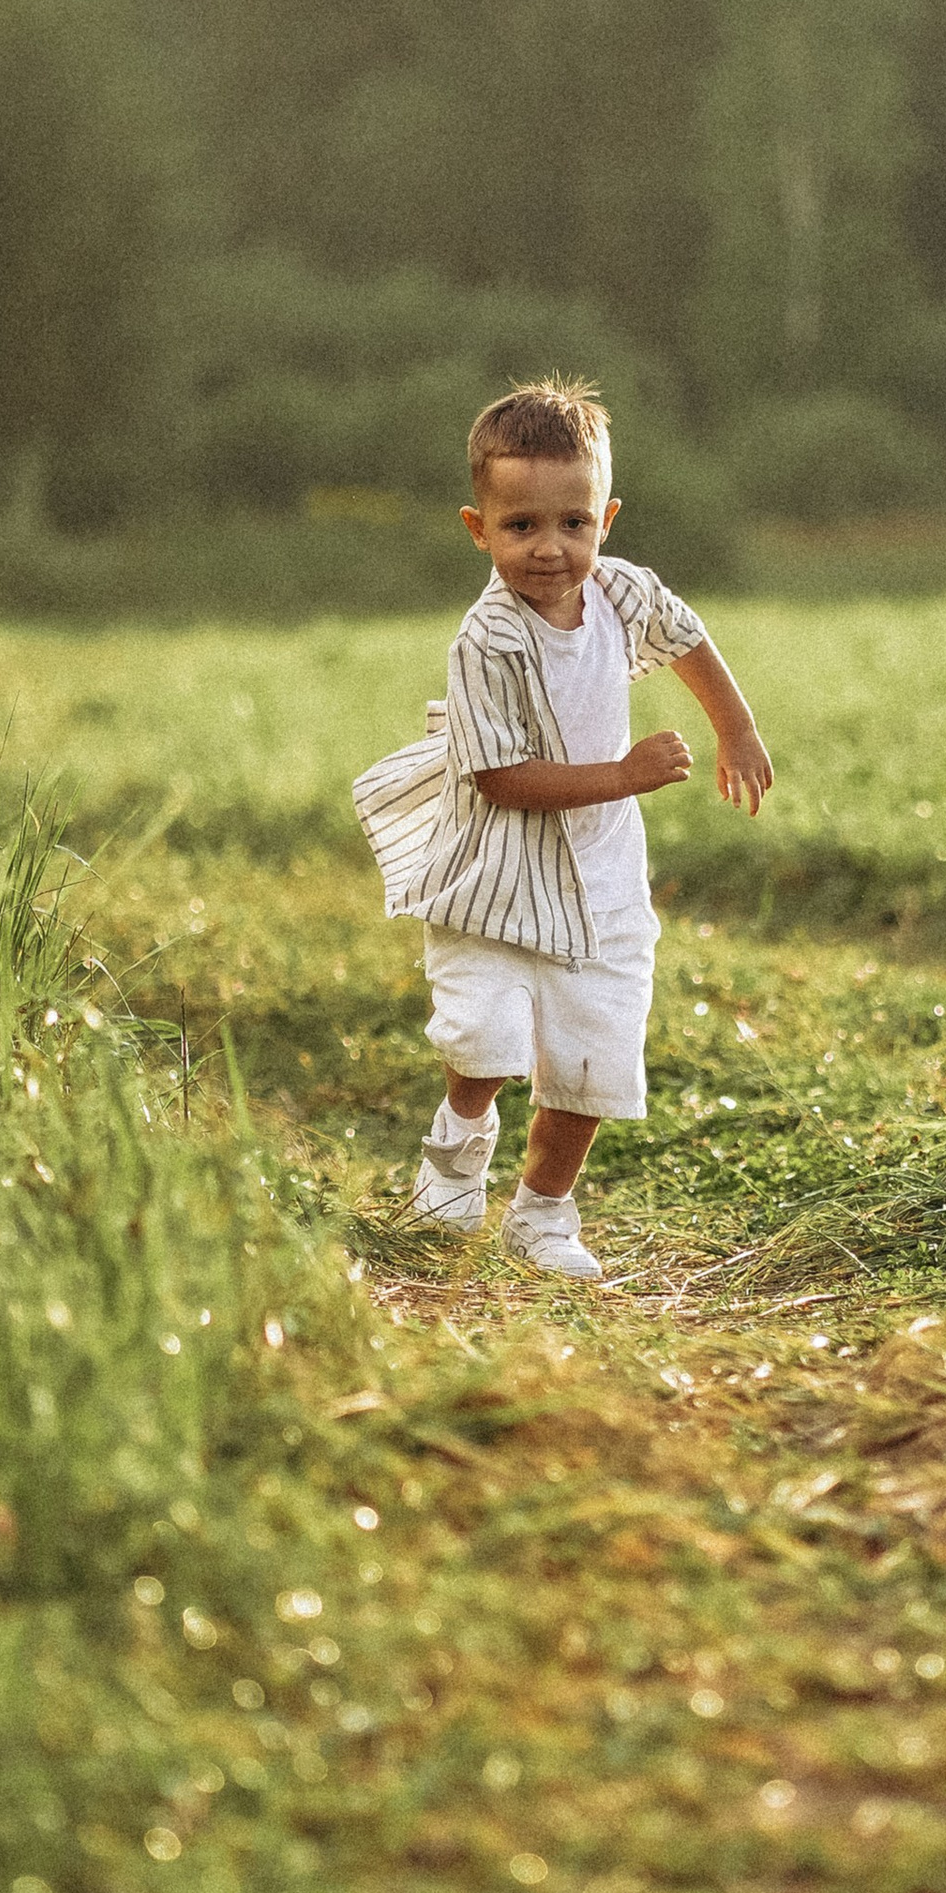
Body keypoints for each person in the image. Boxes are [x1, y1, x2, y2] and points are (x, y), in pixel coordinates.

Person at [353, 380, 773, 1280]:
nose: (550, 548)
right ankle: (459, 1144)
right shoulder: (487, 640)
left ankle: (542, 1213)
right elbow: (500, 779)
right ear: (479, 529)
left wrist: (735, 730)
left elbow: (687, 637)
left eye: (574, 523)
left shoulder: (621, 593)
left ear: (606, 519)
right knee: (482, 1037)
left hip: (601, 875)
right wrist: (623, 775)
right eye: (522, 527)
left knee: (592, 1055)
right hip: (495, 874)